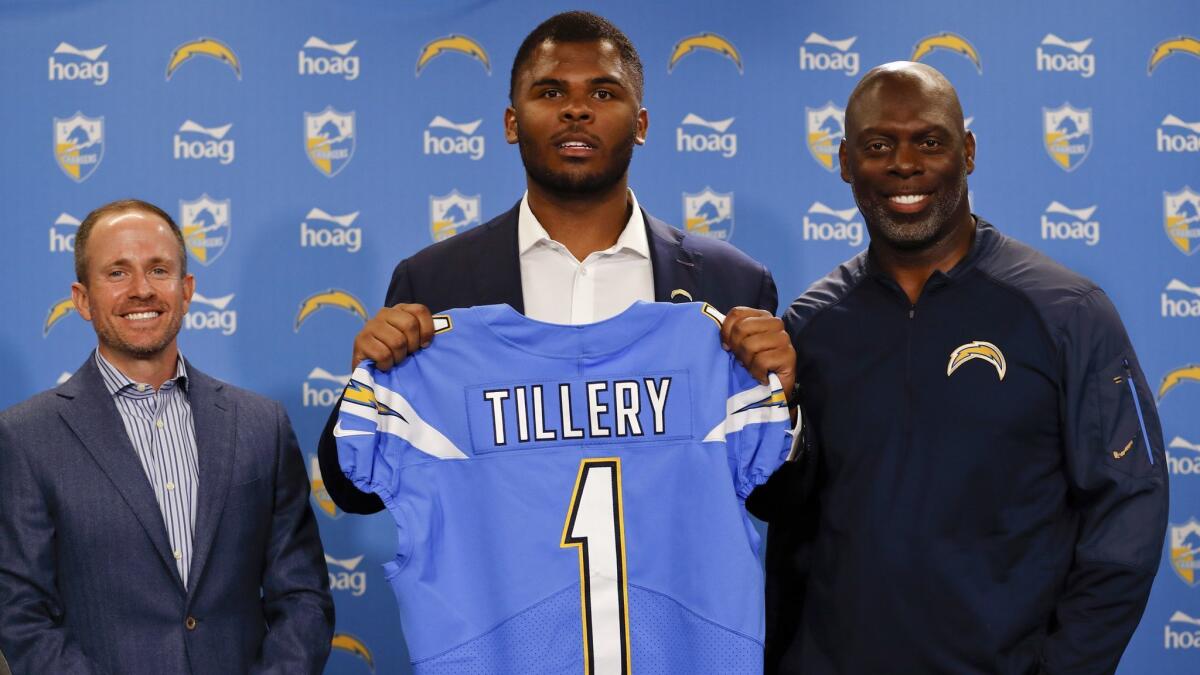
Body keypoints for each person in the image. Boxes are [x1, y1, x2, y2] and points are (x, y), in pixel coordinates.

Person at [746, 62, 1169, 674]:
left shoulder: (1066, 312)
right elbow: (778, 506)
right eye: (878, 145)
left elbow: (1129, 512)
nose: (905, 163)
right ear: (843, 162)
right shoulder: (809, 327)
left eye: (930, 141)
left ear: (967, 152)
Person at [319, 11, 791, 515]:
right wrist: (365, 391)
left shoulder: (731, 281)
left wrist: (786, 397)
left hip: (666, 591)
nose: (576, 111)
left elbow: (774, 499)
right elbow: (357, 494)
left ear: (642, 125)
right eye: (550, 93)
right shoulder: (434, 279)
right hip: (499, 592)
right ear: (510, 122)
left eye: (603, 93)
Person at [0, 200, 334, 674]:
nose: (141, 290)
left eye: (158, 269)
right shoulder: (26, 437)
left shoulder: (262, 424)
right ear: (82, 299)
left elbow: (303, 596)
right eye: (117, 273)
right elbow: (21, 615)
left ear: (186, 289)